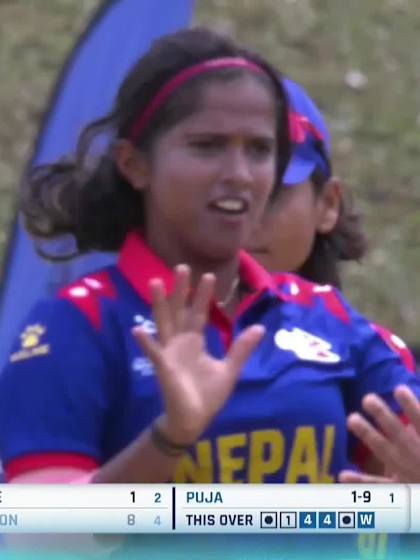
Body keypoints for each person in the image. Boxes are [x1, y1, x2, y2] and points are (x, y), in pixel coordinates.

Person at [0, 26, 419, 494]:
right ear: (134, 164)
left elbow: (399, 466)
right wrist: (169, 438)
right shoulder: (75, 325)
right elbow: (35, 534)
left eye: (260, 150)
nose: (239, 174)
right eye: (208, 146)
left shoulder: (327, 317)